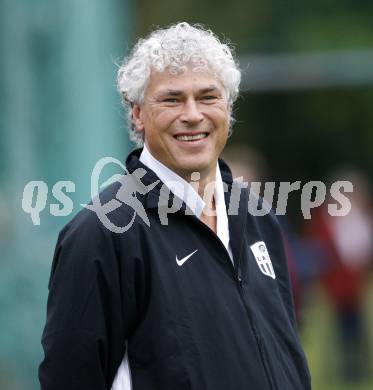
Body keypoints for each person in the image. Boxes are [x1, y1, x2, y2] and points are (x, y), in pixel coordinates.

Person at [39, 22, 311, 390]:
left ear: (228, 108)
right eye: (172, 99)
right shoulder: (103, 232)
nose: (193, 114)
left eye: (208, 97)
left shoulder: (258, 216)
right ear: (137, 113)